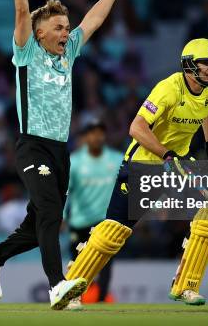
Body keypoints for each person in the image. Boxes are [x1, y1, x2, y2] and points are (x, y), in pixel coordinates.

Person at [0, 0, 132, 311]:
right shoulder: (27, 52)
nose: (66, 32)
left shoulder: (69, 54)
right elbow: (20, 8)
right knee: (47, 213)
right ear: (39, 31)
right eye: (59, 28)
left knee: (40, 224)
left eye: (66, 27)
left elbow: (92, 20)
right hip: (32, 145)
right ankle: (57, 285)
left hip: (60, 151)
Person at [65, 38, 208, 306]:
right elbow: (136, 128)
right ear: (189, 65)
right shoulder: (168, 90)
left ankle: (186, 285)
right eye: (206, 63)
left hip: (176, 166)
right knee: (113, 233)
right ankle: (70, 287)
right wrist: (166, 155)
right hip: (143, 165)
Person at [64, 118, 121, 308]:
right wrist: (62, 216)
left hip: (105, 222)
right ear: (86, 136)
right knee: (78, 263)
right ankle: (74, 297)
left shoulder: (116, 159)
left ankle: (102, 300)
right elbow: (65, 191)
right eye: (92, 132)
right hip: (80, 222)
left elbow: (129, 187)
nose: (96, 136)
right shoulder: (75, 161)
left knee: (105, 263)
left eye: (100, 132)